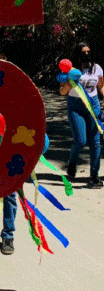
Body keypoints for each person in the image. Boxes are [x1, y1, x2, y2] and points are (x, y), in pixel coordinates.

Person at [60, 42, 104, 188]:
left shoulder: (97, 68)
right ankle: (72, 162)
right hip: (75, 107)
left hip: (93, 106)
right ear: (77, 54)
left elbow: (101, 85)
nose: (87, 54)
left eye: (88, 51)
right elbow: (62, 92)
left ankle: (94, 176)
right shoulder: (70, 71)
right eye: (83, 52)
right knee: (80, 140)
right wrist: (68, 85)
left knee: (95, 143)